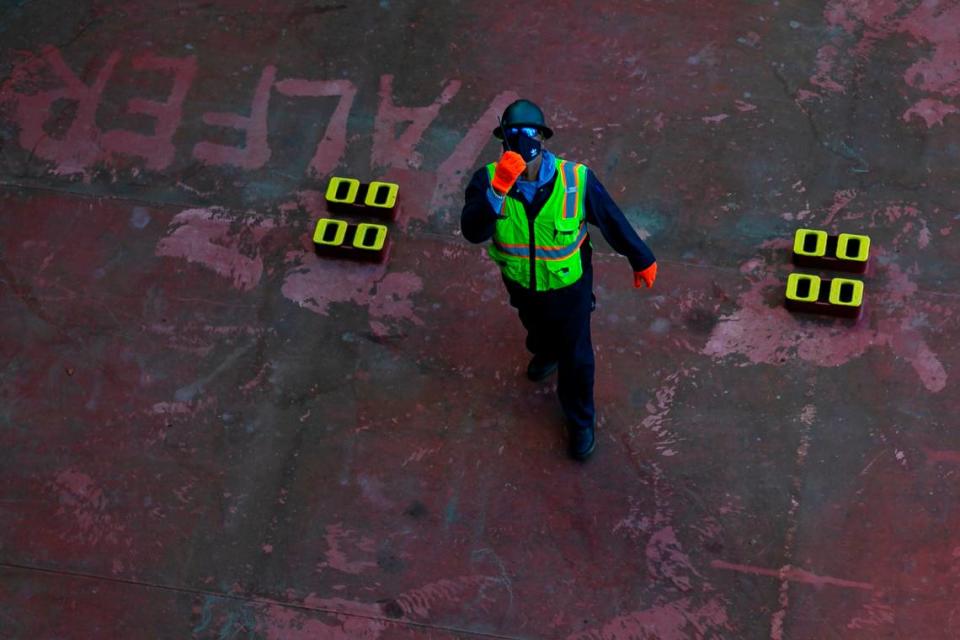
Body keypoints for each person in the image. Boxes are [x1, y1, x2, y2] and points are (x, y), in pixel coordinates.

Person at [460, 99, 657, 461]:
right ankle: (545, 351)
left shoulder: (575, 180)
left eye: (529, 134)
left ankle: (580, 420)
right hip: (521, 285)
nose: (521, 142)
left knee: (577, 358)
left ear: (543, 139)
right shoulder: (487, 180)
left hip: (569, 290)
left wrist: (640, 257)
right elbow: (473, 231)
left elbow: (610, 218)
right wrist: (497, 192)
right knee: (536, 330)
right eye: (512, 135)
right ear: (502, 141)